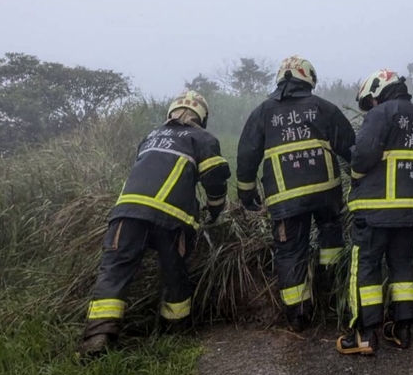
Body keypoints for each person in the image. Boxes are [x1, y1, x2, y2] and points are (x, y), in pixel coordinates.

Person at [79, 90, 231, 357]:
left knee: (114, 271)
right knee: (174, 273)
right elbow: (215, 178)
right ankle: (175, 331)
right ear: (201, 117)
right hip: (172, 218)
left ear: (170, 112)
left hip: (126, 213)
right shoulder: (203, 138)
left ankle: (98, 336)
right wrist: (216, 209)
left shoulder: (150, 137)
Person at [235, 55, 355, 332]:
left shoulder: (262, 112)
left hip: (285, 199)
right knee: (331, 239)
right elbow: (350, 147)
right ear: (309, 79)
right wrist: (358, 181)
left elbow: (246, 156)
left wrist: (246, 194)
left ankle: (298, 314)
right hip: (327, 194)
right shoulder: (324, 108)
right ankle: (331, 294)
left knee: (290, 251)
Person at [337, 69, 413, 355]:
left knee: (366, 267)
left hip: (375, 210)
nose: (371, 107)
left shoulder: (381, 115)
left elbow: (363, 156)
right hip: (411, 212)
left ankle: (364, 336)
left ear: (378, 91)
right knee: (403, 266)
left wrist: (353, 172)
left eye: (371, 101)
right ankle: (403, 331)